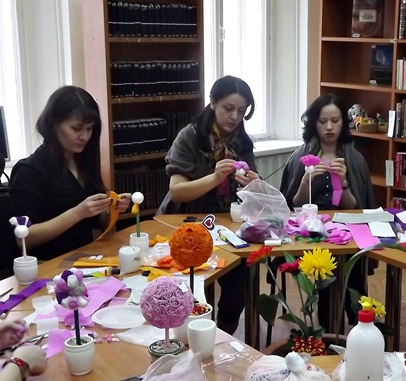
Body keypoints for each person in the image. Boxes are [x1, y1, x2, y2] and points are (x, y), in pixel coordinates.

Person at [156, 75, 260, 335]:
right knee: (188, 291)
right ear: (213, 102)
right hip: (186, 225)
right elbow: (177, 191)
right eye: (228, 108)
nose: (234, 117)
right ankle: (190, 334)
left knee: (239, 284)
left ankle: (221, 332)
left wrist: (254, 185)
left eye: (241, 111)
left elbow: (252, 195)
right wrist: (214, 178)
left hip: (227, 228)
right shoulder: (190, 137)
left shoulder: (242, 143)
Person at [280, 93, 376, 330]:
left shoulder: (354, 160)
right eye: (323, 121)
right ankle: (329, 329)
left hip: (346, 232)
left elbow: (355, 208)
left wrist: (343, 182)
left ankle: (358, 323)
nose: (329, 127)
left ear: (344, 122)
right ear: (314, 123)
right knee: (327, 275)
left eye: (335, 121)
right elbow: (293, 205)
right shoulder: (300, 157)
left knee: (351, 270)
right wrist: (305, 182)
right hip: (309, 233)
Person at [9, 86, 131, 261]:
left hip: (84, 259)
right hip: (47, 265)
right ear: (53, 125)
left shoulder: (84, 161)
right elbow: (25, 239)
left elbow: (99, 224)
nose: (84, 136)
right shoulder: (29, 170)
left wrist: (110, 209)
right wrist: (78, 213)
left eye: (89, 129)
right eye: (76, 128)